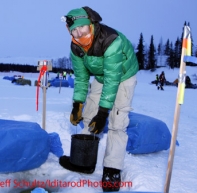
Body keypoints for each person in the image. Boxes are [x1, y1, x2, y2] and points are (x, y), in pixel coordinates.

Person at [59, 6, 139, 192]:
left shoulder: (110, 40)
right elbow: (81, 77)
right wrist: (77, 104)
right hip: (102, 77)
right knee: (88, 114)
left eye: (82, 28)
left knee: (117, 121)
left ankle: (112, 171)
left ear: (91, 23)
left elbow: (113, 78)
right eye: (74, 30)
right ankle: (83, 161)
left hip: (124, 75)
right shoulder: (75, 47)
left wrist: (103, 113)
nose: (78, 33)